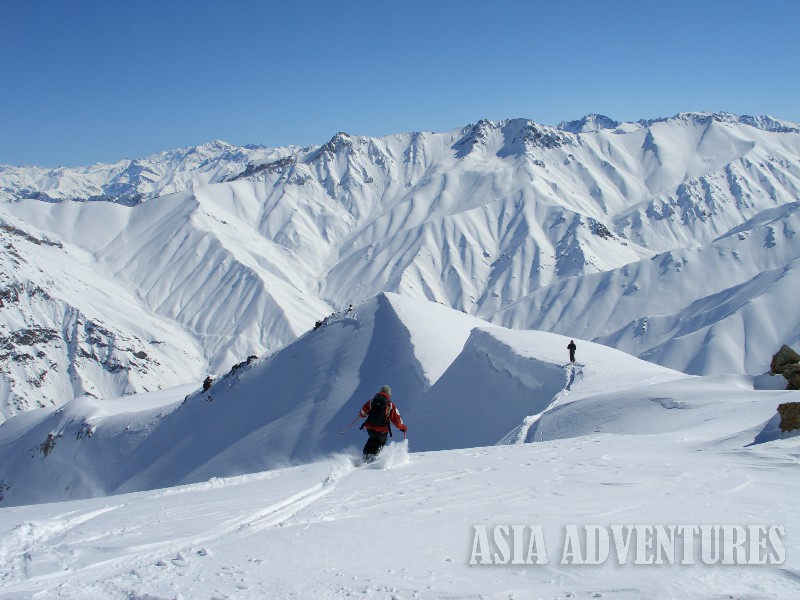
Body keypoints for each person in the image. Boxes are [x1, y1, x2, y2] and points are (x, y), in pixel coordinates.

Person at [358, 385, 407, 460]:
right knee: (381, 443)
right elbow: (397, 421)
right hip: (382, 431)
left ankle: (364, 456)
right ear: (389, 394)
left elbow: (362, 413)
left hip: (370, 428)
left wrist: (360, 414)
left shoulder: (371, 401)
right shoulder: (390, 405)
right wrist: (403, 428)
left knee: (372, 439)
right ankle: (373, 458)